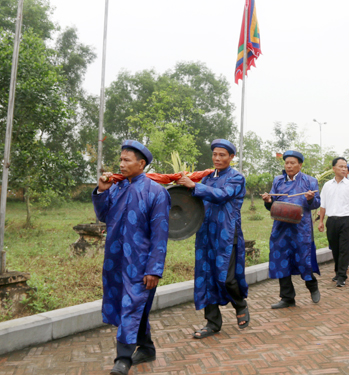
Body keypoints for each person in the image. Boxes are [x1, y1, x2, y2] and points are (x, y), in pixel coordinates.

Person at [93, 140, 171, 375]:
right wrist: (101, 191)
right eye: (120, 159)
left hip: (141, 263)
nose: (121, 164)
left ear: (142, 163)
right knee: (132, 305)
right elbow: (103, 215)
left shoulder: (156, 193)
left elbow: (160, 234)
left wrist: (154, 269)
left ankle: (123, 358)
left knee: (132, 304)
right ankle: (146, 348)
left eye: (127, 160)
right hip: (115, 260)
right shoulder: (116, 187)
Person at [176, 139, 249, 338]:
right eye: (215, 154)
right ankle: (212, 323)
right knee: (206, 276)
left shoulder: (236, 178)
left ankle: (240, 303)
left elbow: (222, 195)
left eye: (222, 155)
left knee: (227, 278)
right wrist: (183, 187)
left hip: (226, 233)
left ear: (231, 157)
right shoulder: (206, 178)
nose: (217, 158)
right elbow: (193, 200)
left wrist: (194, 186)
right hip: (205, 232)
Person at [261, 151, 321, 308]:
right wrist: (268, 201)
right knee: (281, 261)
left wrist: (310, 199)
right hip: (281, 228)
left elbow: (316, 204)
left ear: (300, 165)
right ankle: (287, 298)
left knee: (304, 260)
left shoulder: (310, 181)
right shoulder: (278, 181)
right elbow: (272, 205)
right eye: (286, 163)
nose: (289, 166)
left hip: (301, 229)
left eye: (292, 163)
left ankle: (312, 286)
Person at [318, 157, 349, 287]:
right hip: (331, 221)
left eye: (345, 166)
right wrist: (321, 221)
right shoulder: (327, 185)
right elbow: (323, 205)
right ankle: (337, 272)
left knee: (344, 249)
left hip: (346, 220)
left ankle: (342, 276)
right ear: (333, 169)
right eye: (341, 166)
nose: (344, 169)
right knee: (335, 248)